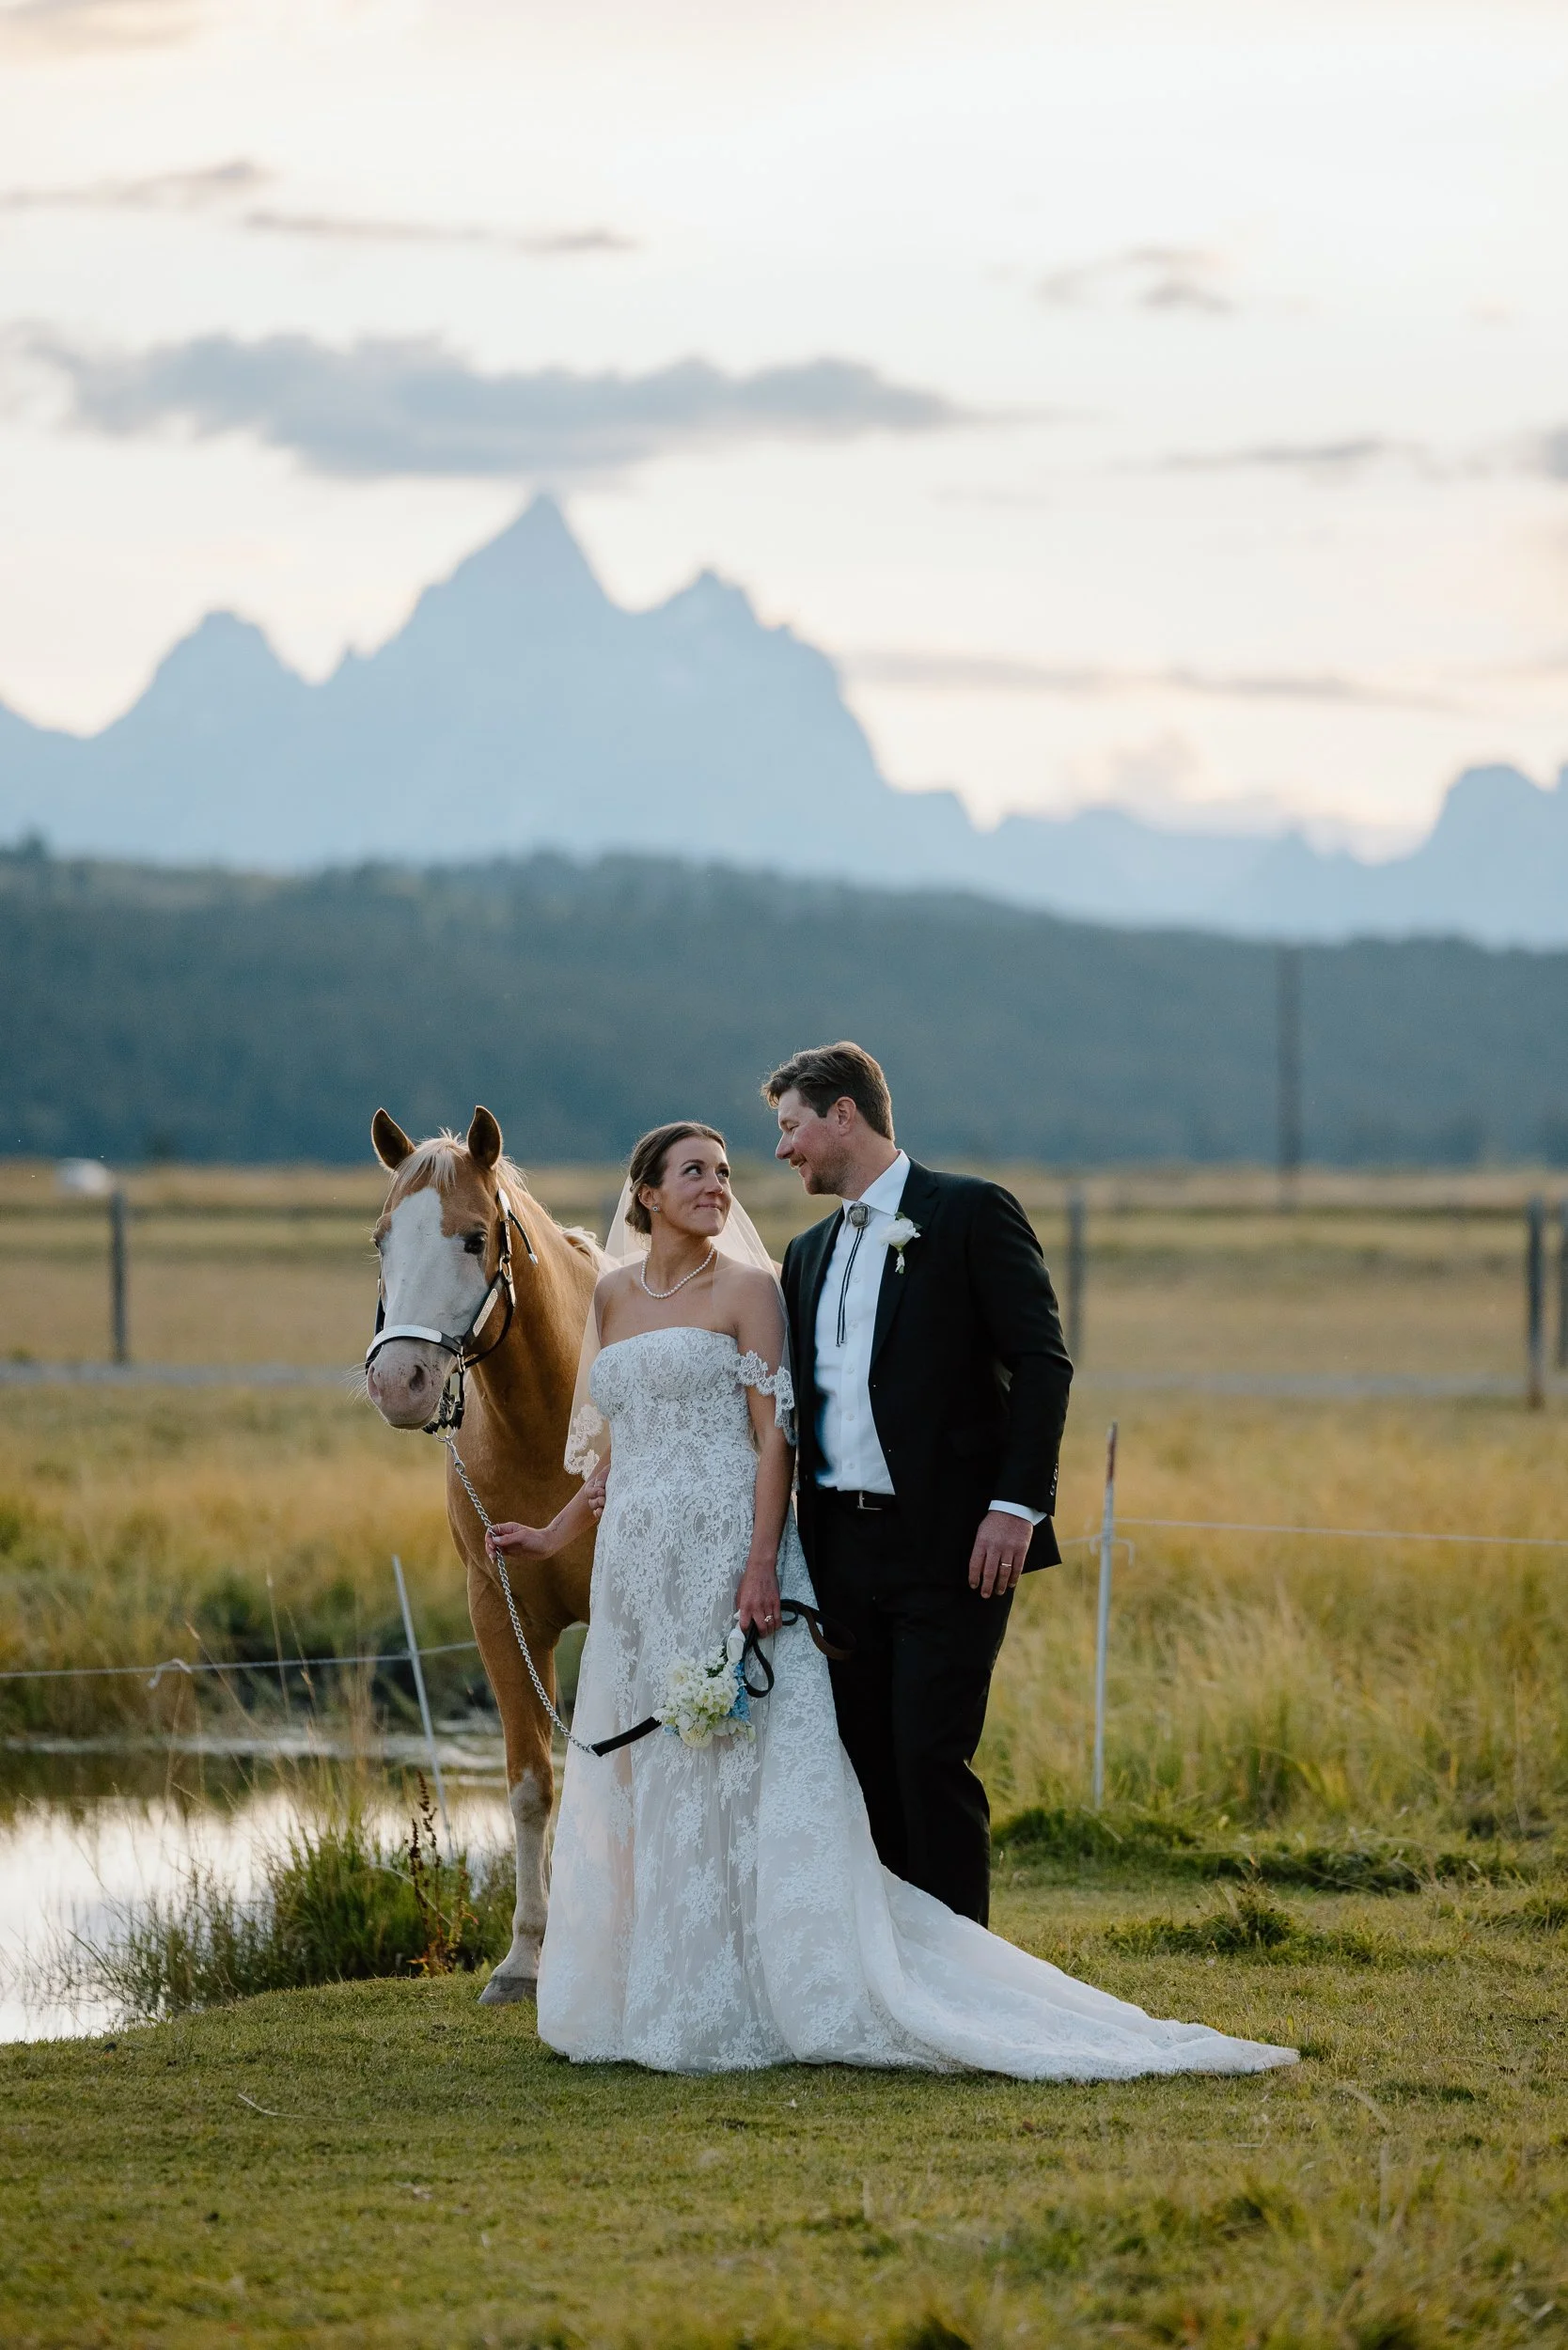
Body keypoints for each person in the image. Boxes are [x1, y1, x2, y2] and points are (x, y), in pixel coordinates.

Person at [483, 1117, 1295, 2081]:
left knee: (747, 1763)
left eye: (728, 1168)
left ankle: (809, 1970)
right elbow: (615, 1451)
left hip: (723, 1554)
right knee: (653, 1769)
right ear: (645, 1193)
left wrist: (757, 1567)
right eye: (695, 1172)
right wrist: (553, 1533)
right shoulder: (612, 1295)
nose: (722, 1183)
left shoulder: (752, 1288)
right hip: (636, 1572)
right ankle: (664, 1975)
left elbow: (773, 1438)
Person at [767, 1040, 1069, 1924]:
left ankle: (963, 1983)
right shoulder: (806, 1252)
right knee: (864, 1762)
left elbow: (1042, 1365)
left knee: (929, 1758)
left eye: (792, 1128)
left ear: (843, 1115)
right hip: (841, 1554)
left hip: (956, 1544)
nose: (784, 1150)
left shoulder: (971, 1213)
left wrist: (1015, 1506)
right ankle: (896, 1982)